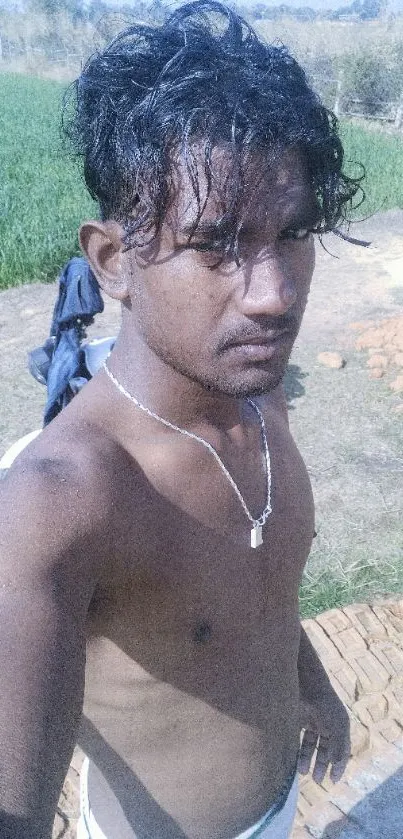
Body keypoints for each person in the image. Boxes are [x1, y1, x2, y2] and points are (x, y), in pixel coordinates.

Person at [0, 2, 361, 837]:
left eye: (293, 232)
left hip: (281, 805)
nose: (274, 294)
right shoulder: (63, 502)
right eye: (216, 245)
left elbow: (263, 589)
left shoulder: (258, 394)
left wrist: (310, 683)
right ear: (114, 260)